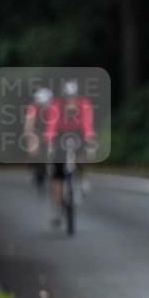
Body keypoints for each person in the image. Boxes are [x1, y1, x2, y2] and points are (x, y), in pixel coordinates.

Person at [44, 80, 96, 226]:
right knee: (57, 174)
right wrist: (49, 142)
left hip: (78, 133)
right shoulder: (56, 106)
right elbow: (51, 126)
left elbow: (87, 124)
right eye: (68, 97)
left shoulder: (84, 105)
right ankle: (57, 207)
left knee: (83, 153)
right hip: (60, 135)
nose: (70, 100)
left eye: (73, 96)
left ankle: (82, 176)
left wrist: (89, 139)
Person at [23, 86, 53, 196]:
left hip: (49, 130)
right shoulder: (33, 107)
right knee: (33, 150)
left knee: (50, 152)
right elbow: (29, 124)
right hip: (36, 130)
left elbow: (54, 124)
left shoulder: (52, 108)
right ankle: (32, 167)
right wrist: (30, 139)